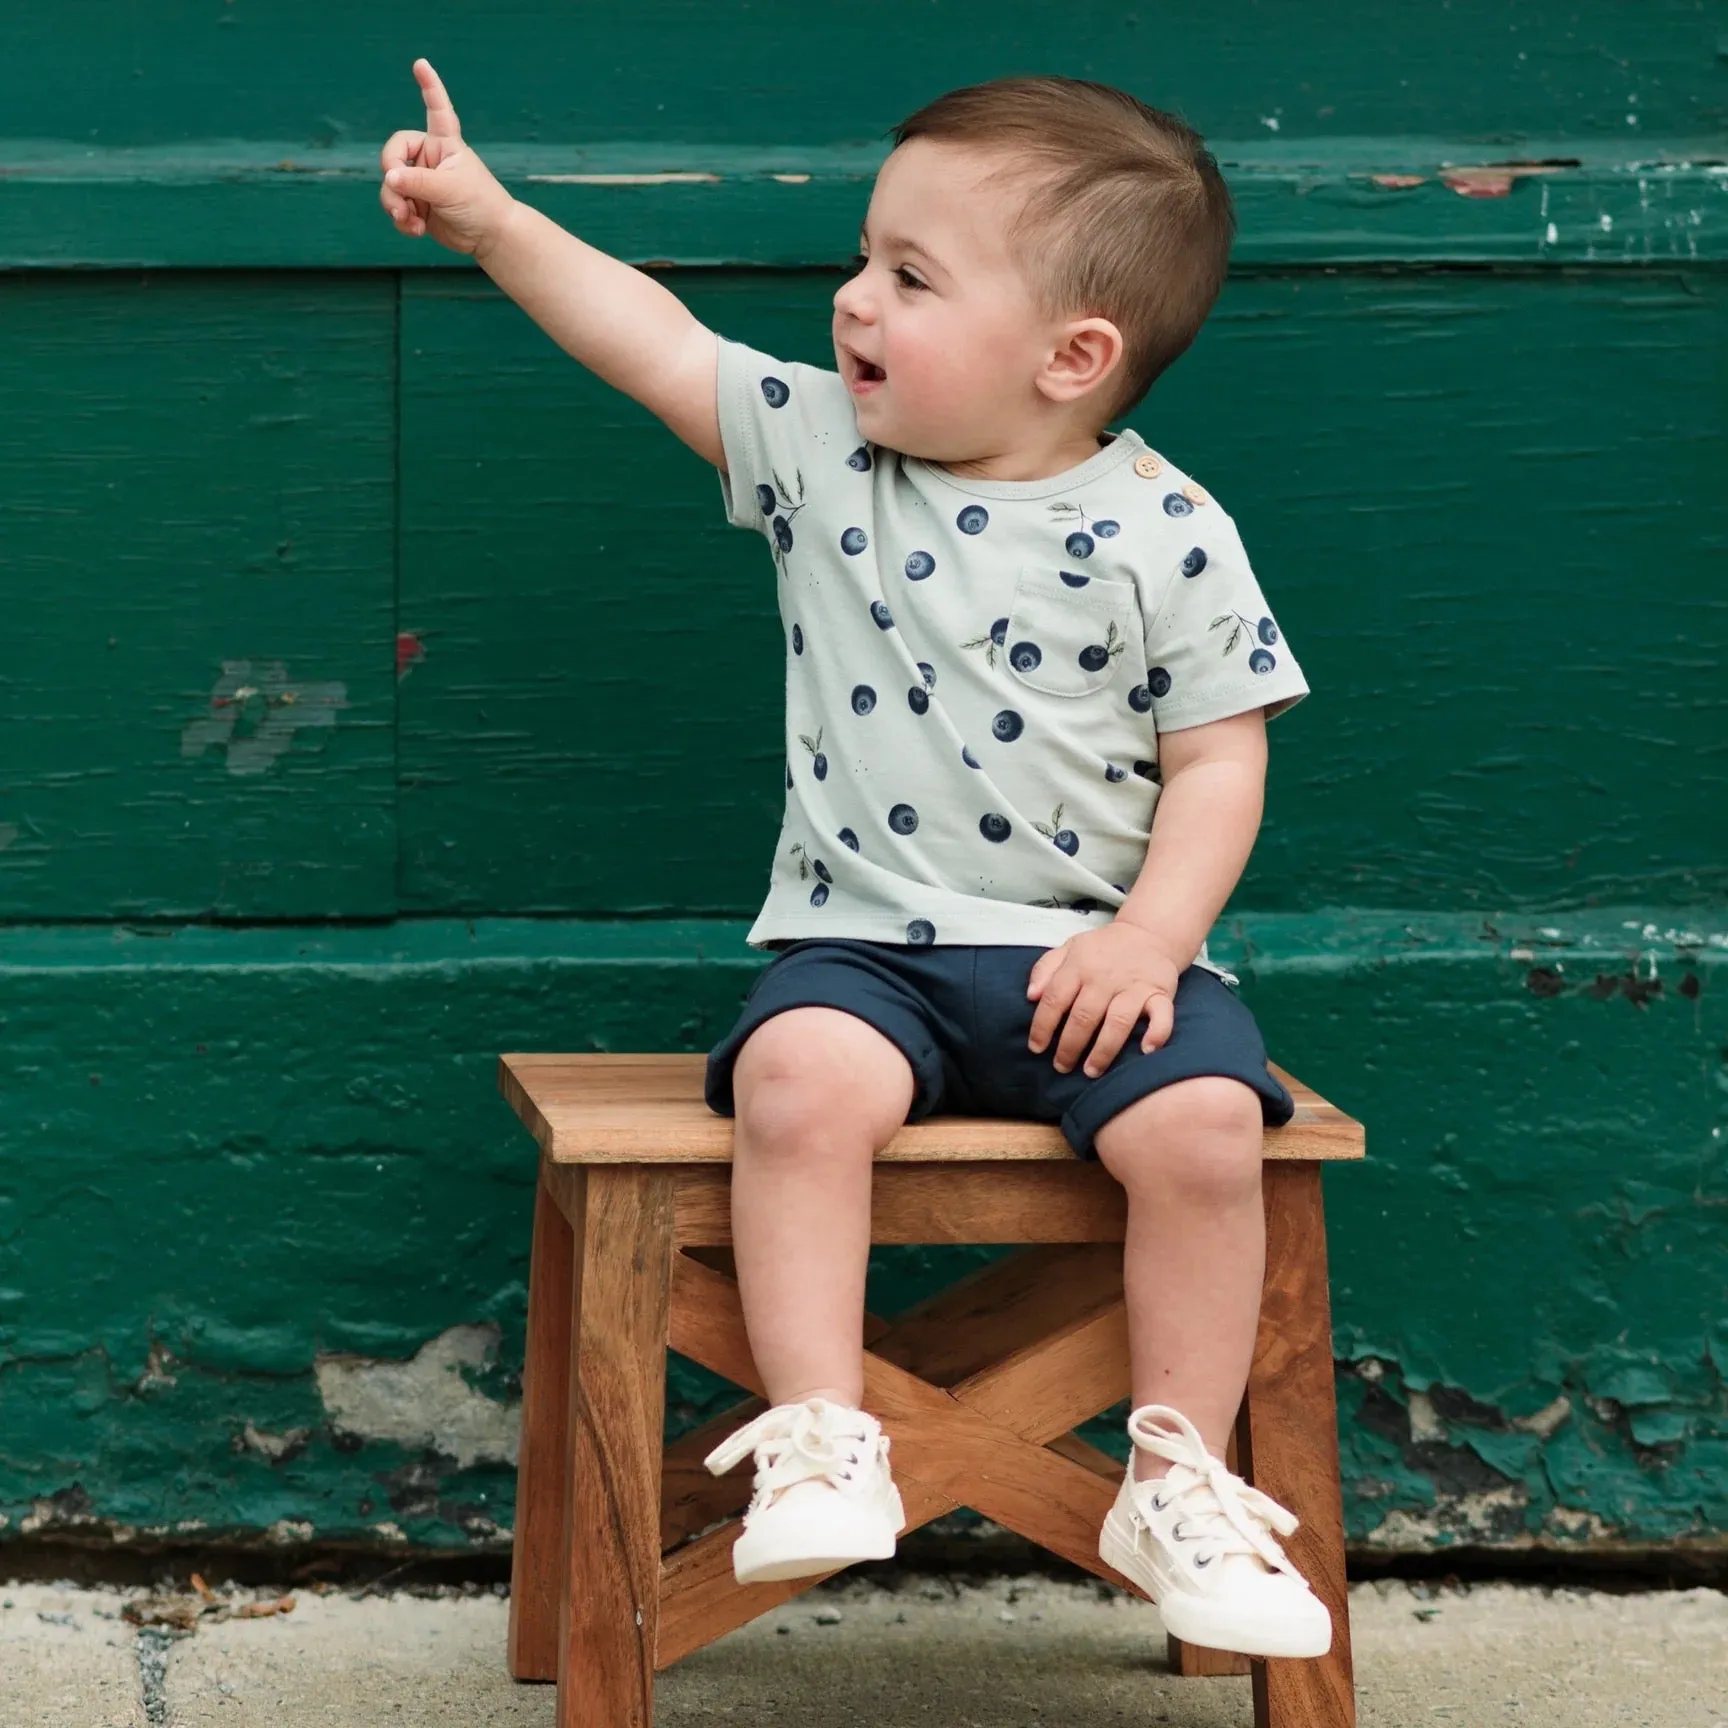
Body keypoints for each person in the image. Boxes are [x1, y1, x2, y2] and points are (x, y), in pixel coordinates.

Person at [381, 60, 1329, 1660]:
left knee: (1205, 1140)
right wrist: (490, 223)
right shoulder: (828, 455)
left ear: (1071, 356)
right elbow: (658, 341)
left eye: (910, 277)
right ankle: (821, 1428)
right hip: (868, 947)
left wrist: (1156, 942)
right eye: (863, 260)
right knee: (799, 1086)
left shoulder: (1173, 529)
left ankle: (1176, 1477)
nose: (852, 302)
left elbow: (1221, 758)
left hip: (1096, 964)